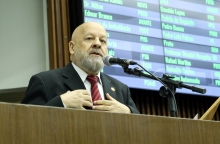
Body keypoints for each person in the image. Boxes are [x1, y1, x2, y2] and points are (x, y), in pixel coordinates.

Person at [21, 22, 139, 114]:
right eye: (89, 38)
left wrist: (128, 112)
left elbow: (142, 125)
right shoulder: (45, 81)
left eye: (102, 41)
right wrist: (61, 103)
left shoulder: (121, 89)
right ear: (72, 47)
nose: (97, 44)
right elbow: (24, 122)